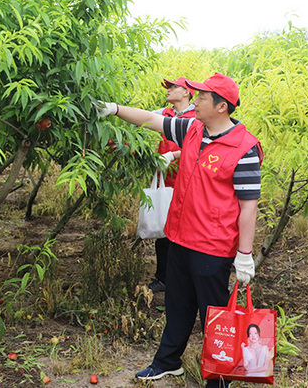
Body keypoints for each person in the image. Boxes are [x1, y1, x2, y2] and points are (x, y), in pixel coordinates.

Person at [96, 72, 262, 388]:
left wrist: (244, 255)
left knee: (214, 315)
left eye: (202, 97)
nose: (195, 101)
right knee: (177, 305)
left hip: (212, 247)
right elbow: (150, 120)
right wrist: (114, 109)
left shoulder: (244, 148)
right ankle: (167, 362)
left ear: (222, 106)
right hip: (180, 237)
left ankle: (219, 377)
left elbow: (248, 207)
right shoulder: (192, 129)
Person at [148, 77, 196, 293]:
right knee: (163, 231)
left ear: (186, 92)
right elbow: (141, 126)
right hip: (165, 182)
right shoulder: (163, 114)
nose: (168, 90)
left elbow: (202, 148)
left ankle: (184, 279)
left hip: (188, 184)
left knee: (186, 232)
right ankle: (163, 278)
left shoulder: (196, 118)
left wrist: (174, 155)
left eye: (173, 87)